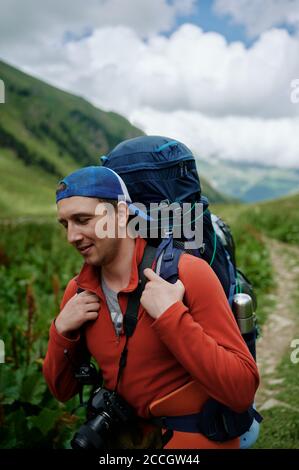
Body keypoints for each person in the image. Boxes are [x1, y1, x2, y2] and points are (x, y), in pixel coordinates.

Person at [43, 165, 259, 449]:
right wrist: (61, 332)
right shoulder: (78, 292)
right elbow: (62, 391)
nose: (72, 236)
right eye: (65, 224)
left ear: (121, 214)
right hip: (124, 438)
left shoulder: (188, 274)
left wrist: (172, 317)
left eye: (82, 219)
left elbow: (241, 391)